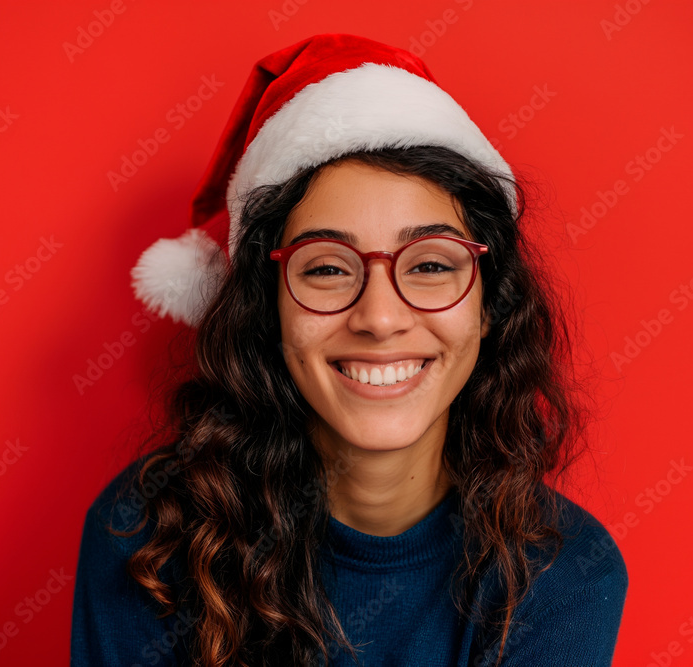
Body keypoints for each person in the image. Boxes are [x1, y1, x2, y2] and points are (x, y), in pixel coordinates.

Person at [71, 34, 627, 666]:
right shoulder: (144, 538)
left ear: (490, 306)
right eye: (328, 269)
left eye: (430, 265)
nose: (380, 318)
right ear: (265, 309)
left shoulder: (565, 575)